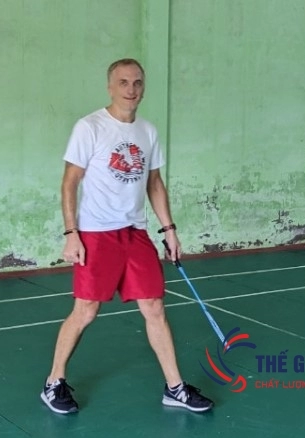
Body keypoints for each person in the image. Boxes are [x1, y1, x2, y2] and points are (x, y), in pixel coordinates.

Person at [40, 58, 213, 414]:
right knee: (86, 310)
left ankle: (175, 388)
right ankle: (53, 382)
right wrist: (71, 233)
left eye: (137, 83)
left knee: (154, 307)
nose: (131, 89)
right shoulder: (90, 127)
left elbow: (154, 183)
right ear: (110, 87)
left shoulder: (147, 131)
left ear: (143, 87)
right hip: (96, 233)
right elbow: (69, 182)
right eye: (123, 82)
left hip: (134, 232)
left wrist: (169, 230)